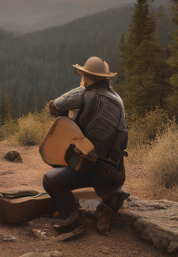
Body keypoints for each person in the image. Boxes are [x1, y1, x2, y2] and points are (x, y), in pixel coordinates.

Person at [43, 56, 129, 235]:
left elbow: (54, 106)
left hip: (89, 168)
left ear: (87, 76)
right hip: (115, 174)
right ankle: (107, 206)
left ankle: (71, 218)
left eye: (83, 75)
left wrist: (72, 112)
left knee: (50, 179)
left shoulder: (86, 94)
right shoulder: (117, 98)